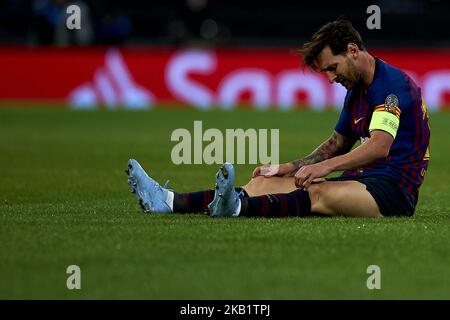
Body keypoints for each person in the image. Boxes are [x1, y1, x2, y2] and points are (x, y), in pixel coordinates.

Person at [126, 19, 430, 218]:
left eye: (332, 68)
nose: (330, 78)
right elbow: (336, 143)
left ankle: (236, 209)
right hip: (362, 181)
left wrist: (321, 168)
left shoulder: (391, 87)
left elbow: (379, 147)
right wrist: (288, 167)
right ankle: (166, 200)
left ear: (353, 50)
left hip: (393, 194)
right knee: (263, 183)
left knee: (317, 192)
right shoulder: (358, 89)